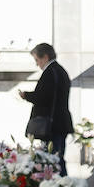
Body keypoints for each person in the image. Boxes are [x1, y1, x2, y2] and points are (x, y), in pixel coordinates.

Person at [16, 43, 72, 175]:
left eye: (37, 60)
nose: (37, 64)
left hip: (53, 125)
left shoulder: (51, 72)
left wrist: (26, 95)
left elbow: (43, 97)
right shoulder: (59, 71)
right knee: (55, 160)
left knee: (53, 161)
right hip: (58, 123)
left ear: (45, 57)